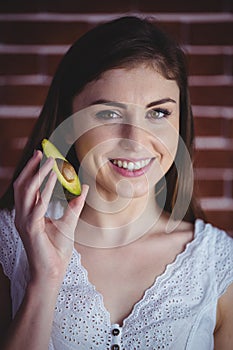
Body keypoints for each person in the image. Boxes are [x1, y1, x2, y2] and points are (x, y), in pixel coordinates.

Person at [0, 15, 232, 350]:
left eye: (159, 113)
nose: (136, 139)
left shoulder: (219, 263)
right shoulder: (9, 242)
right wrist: (45, 279)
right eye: (109, 113)